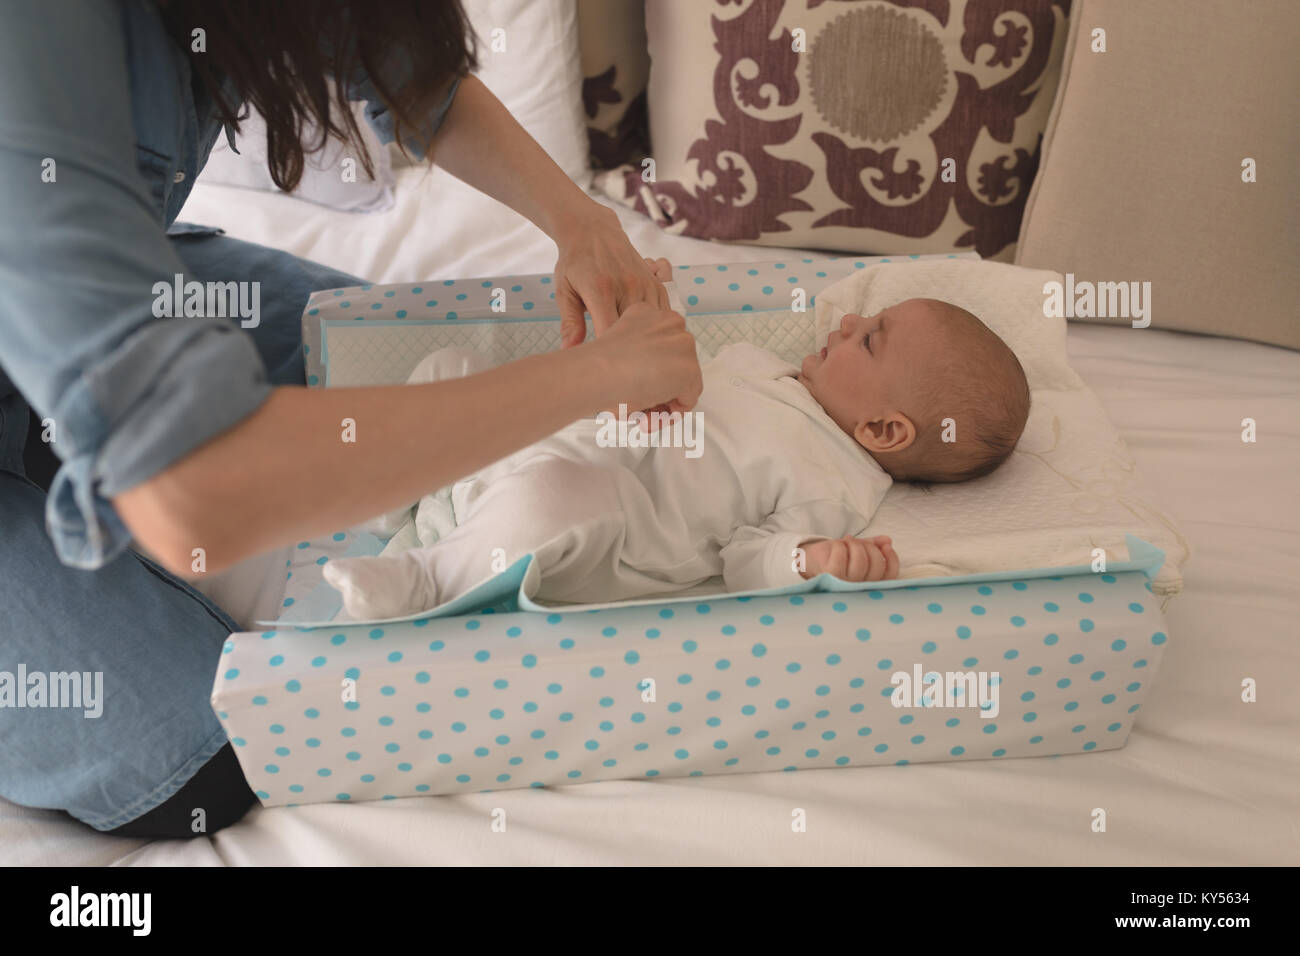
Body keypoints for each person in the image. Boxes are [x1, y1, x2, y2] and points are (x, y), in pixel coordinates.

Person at [0, 0, 700, 839]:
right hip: (48, 289)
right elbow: (196, 492)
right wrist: (594, 377)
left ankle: (77, 431)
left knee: (385, 357)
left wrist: (580, 221)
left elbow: (411, 73)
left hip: (95, 284)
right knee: (202, 759)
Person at [325, 271, 1032, 619]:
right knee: (451, 370)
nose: (847, 320)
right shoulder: (771, 370)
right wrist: (652, 311)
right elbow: (680, 374)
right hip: (541, 433)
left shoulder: (835, 484)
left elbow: (746, 565)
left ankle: (431, 577)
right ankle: (393, 491)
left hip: (599, 515)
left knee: (551, 502)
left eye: (869, 338)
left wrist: (810, 561)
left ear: (884, 430)